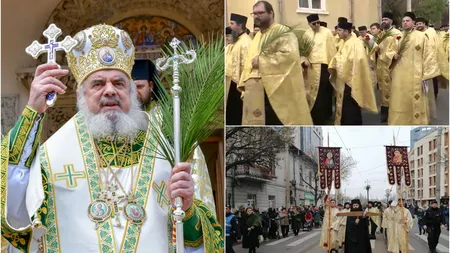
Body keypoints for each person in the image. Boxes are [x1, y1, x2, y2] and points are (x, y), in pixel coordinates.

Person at [1, 24, 223, 253]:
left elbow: (200, 240)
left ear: (132, 93)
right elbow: (11, 202)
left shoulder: (169, 148)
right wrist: (32, 111)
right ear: (80, 95)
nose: (109, 91)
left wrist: (187, 211)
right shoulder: (53, 155)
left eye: (119, 83)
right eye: (97, 84)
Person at [238, 0, 312, 125]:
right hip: (257, 91)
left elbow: (289, 57)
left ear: (271, 13)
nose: (256, 16)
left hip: (277, 92)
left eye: (260, 13)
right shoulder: (257, 36)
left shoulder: (282, 32)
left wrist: (262, 61)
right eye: (254, 13)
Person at [388, 12, 440, 125]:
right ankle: (399, 122)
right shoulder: (397, 37)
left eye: (407, 21)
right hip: (400, 75)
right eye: (403, 21)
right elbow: (389, 51)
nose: (405, 23)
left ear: (413, 22)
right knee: (400, 100)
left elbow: (429, 55)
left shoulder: (422, 36)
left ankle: (417, 122)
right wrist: (393, 55)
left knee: (415, 99)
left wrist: (426, 74)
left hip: (416, 74)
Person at [328, 21, 378, 125]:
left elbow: (357, 60)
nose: (337, 32)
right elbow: (338, 56)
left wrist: (338, 62)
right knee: (342, 108)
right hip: (342, 81)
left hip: (350, 81)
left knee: (350, 110)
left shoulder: (356, 43)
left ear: (346, 31)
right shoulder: (343, 42)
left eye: (340, 30)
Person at [303, 14, 337, 125]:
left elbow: (332, 49)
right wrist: (304, 59)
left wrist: (332, 65)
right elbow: (303, 50)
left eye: (318, 22)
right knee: (311, 90)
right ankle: (312, 114)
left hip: (324, 65)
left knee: (324, 91)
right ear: (309, 24)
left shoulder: (327, 32)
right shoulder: (306, 34)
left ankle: (325, 115)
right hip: (310, 66)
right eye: (314, 23)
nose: (317, 25)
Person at [371, 12, 402, 123]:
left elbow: (397, 49)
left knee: (390, 88)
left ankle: (391, 112)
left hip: (390, 65)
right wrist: (375, 49)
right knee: (383, 89)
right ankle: (384, 110)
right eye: (383, 19)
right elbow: (376, 46)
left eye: (386, 19)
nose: (384, 21)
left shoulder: (396, 33)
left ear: (391, 21)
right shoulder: (381, 33)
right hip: (380, 65)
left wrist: (390, 55)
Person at [226, 13, 252, 125]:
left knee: (236, 116)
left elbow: (247, 67)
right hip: (232, 82)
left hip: (240, 85)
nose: (230, 26)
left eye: (232, 23)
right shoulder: (237, 41)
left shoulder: (246, 42)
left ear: (240, 25)